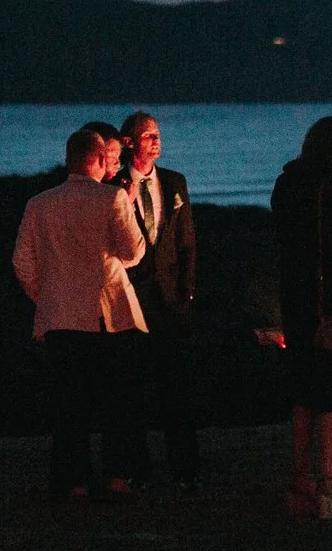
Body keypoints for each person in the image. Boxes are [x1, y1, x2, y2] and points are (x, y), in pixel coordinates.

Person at [13, 125, 149, 499]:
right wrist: (129, 201)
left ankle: (73, 481)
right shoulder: (112, 199)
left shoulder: (39, 204)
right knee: (117, 402)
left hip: (59, 317)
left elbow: (22, 262)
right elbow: (133, 251)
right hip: (108, 316)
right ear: (98, 159)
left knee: (69, 404)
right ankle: (119, 477)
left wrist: (48, 295)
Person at [270, 116, 332, 521]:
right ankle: (330, 488)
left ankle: (301, 480)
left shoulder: (286, 183)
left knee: (304, 392)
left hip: (297, 300)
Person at [115, 110, 200, 486]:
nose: (156, 140)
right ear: (130, 141)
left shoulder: (174, 182)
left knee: (177, 389)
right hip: (130, 300)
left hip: (171, 303)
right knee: (131, 391)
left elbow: (186, 243)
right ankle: (138, 471)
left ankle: (185, 470)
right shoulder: (115, 184)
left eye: (158, 134)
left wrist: (187, 291)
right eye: (148, 134)